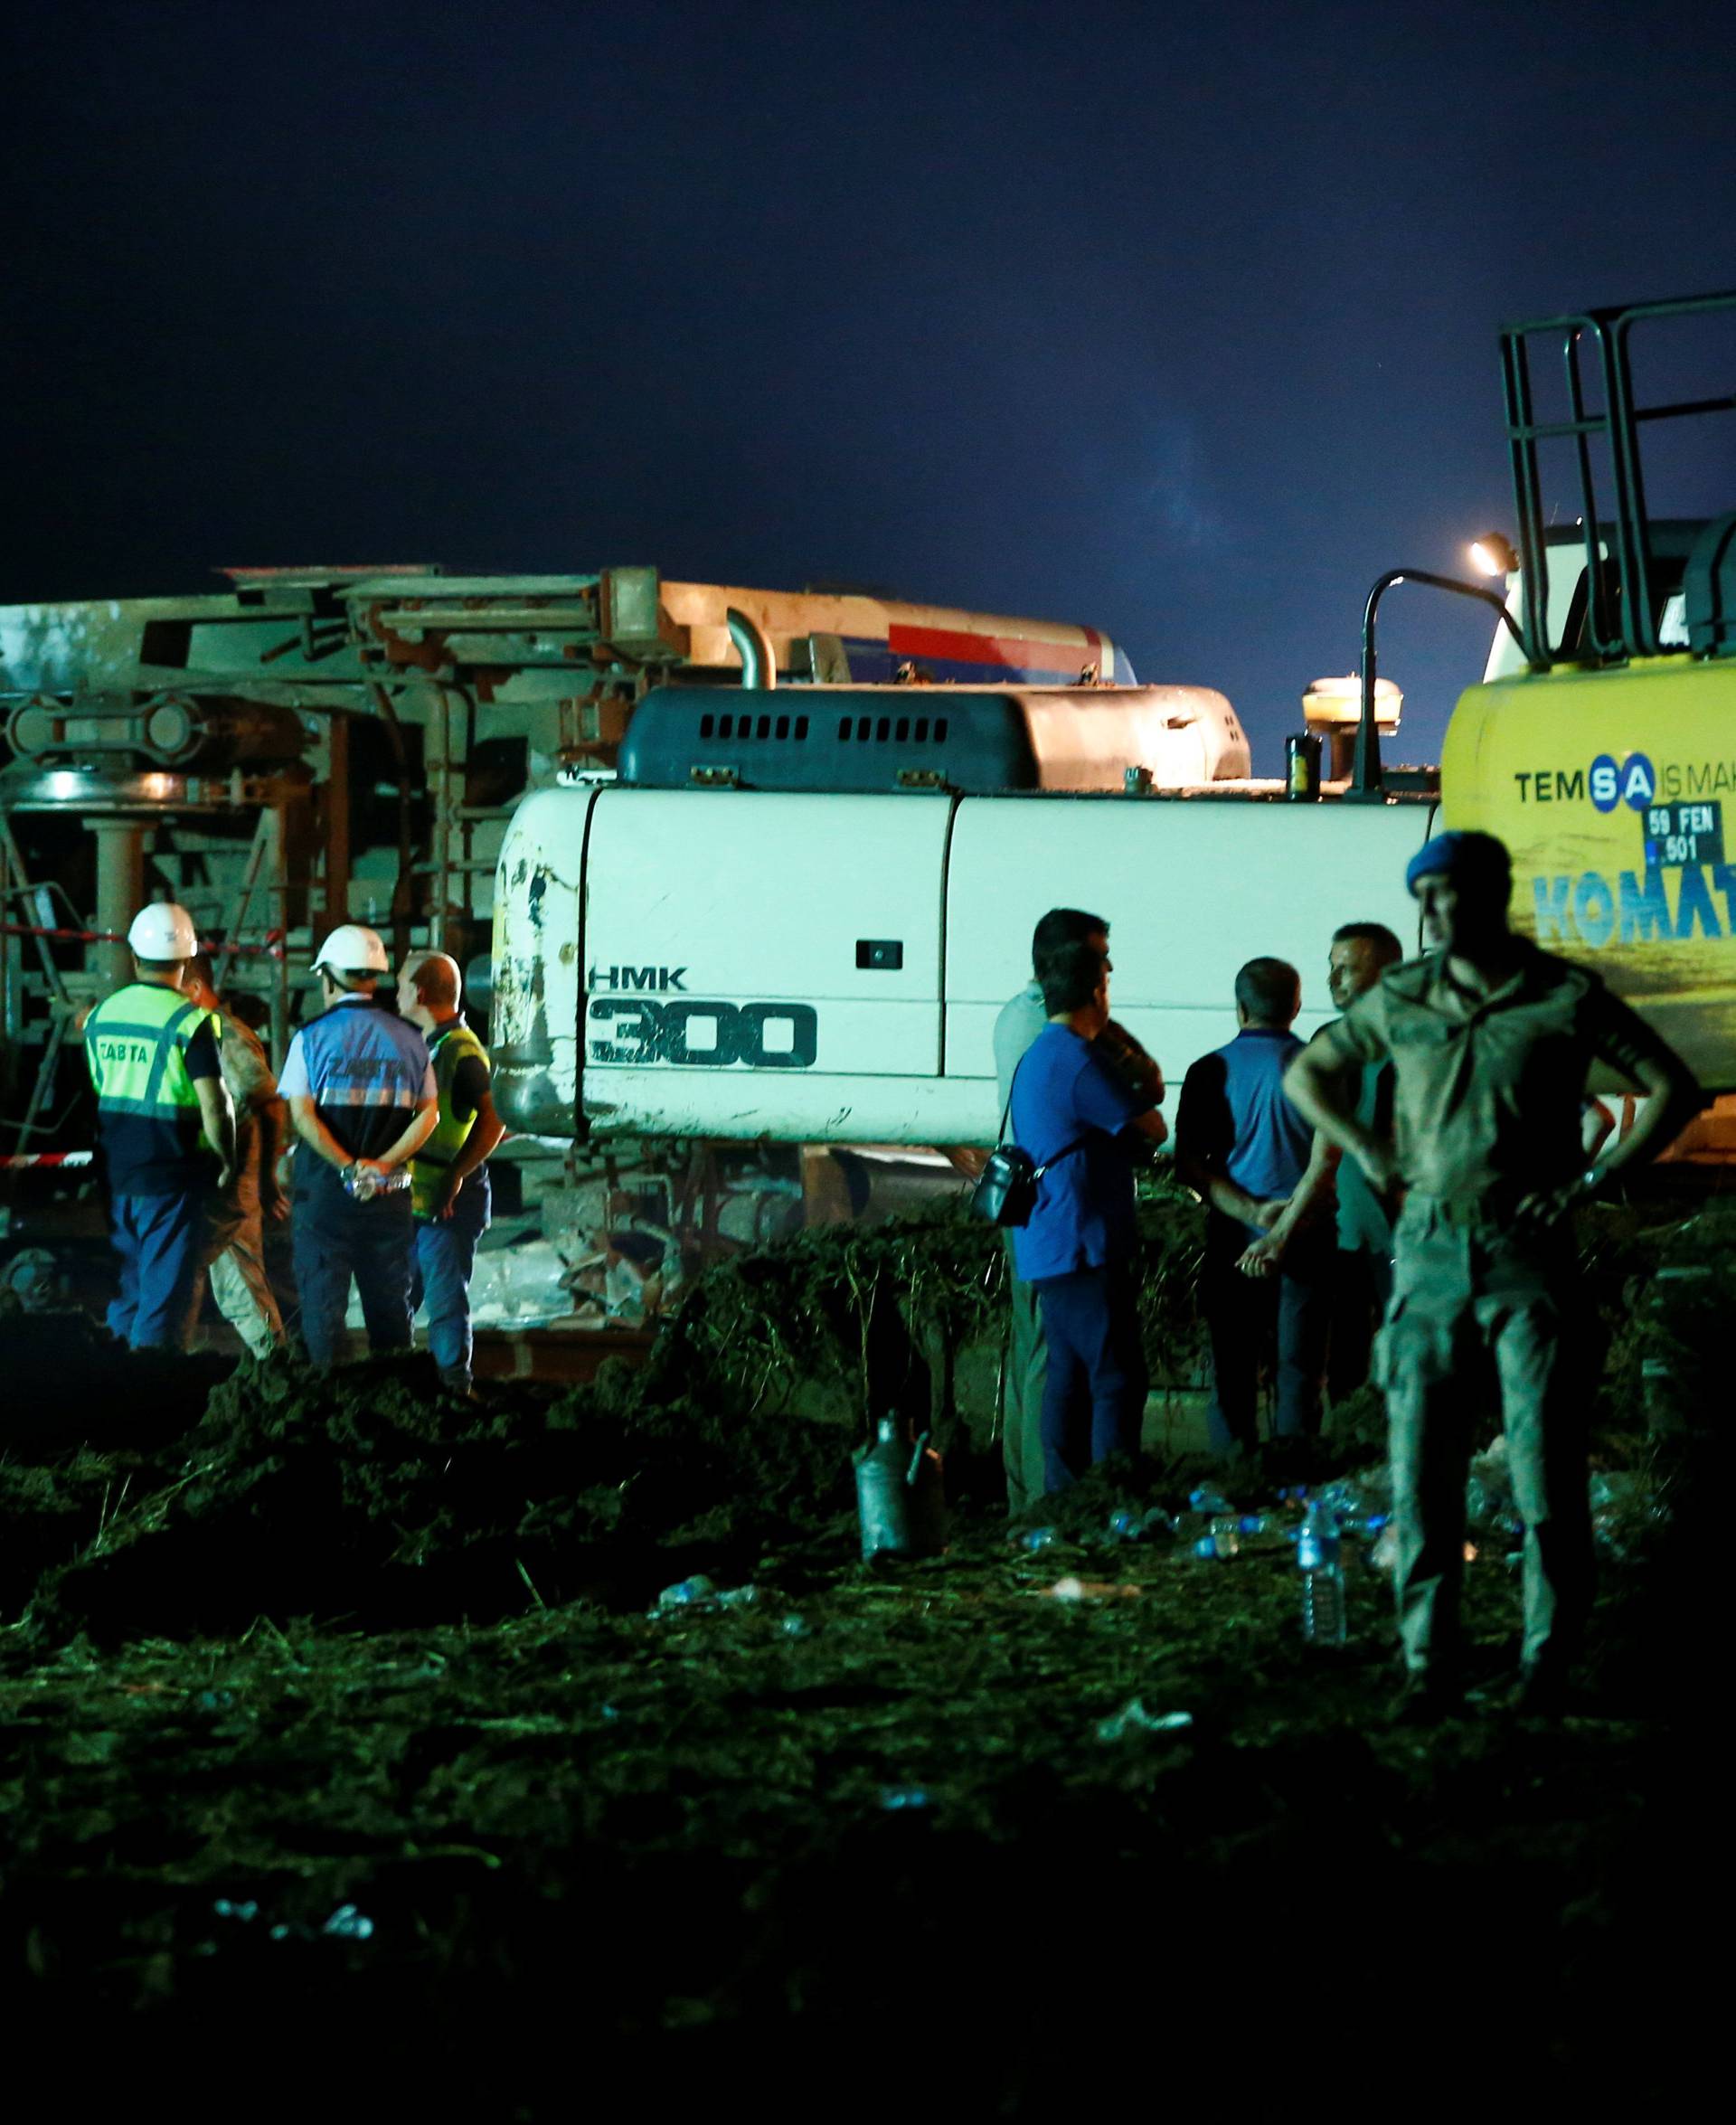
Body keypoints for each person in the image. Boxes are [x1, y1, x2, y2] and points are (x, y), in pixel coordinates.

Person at [1284, 831, 1700, 1720]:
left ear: (1492, 894)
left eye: (1446, 895)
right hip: (1429, 1250)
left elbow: (1671, 1085)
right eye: (1422, 898)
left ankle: (1546, 1666)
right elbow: (1310, 1073)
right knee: (1422, 1467)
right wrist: (1366, 1147)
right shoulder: (1404, 997)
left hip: (1525, 1255)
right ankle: (1428, 1668)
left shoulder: (1560, 994)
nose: (1430, 914)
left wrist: (1589, 1181)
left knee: (1546, 1473)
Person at [993, 909, 1164, 1513]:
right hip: (1081, 1238)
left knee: (1064, 1373)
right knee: (1117, 1375)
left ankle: (1058, 1501)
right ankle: (1109, 1495)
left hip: (1051, 1240)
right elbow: (1150, 1123)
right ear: (1096, 988)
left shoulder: (1040, 1048)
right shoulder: (1077, 1059)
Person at [1242, 922, 1403, 1401]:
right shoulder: (1332, 1040)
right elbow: (1323, 1156)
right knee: (1348, 1370)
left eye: (1348, 969)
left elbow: (1325, 1158)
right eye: (1331, 968)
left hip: (1404, 1236)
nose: (1334, 980)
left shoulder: (1418, 1042)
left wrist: (1279, 1235)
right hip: (1350, 1237)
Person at [1175, 957, 1327, 1458]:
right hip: (1306, 1230)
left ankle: (1233, 1473)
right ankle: (1295, 1476)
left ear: (1241, 1008)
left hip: (1234, 1235)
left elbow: (1193, 1166)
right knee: (1299, 1367)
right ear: (1297, 1006)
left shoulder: (1207, 1071)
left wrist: (1250, 1212)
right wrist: (1283, 1219)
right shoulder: (1318, 1069)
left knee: (1233, 1364)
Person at [278, 923, 438, 1366]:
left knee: (323, 1307)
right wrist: (382, 1165)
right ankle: (395, 1397)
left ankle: (327, 1399)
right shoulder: (411, 1039)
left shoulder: (310, 1037)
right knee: (390, 1307)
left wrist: (349, 1165)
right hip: (389, 1194)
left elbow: (302, 1115)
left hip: (326, 1194)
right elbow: (429, 1113)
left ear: (329, 978)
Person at [81, 902, 237, 1350]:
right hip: (170, 1176)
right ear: (186, 962)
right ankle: (151, 1393)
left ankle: (114, 1385)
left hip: (115, 1175)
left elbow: (99, 1088)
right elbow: (215, 1103)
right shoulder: (192, 1022)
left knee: (128, 1291)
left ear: (134, 957)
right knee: (163, 1300)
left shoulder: (101, 1015)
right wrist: (225, 1159)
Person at [396, 949, 507, 1395]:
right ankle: (421, 1383)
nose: (396, 992)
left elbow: (494, 1115)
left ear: (420, 992)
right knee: (408, 1297)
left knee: (443, 1301)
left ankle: (454, 1389)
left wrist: (457, 1173)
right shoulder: (437, 1044)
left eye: (402, 983)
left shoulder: (460, 1050)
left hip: (447, 1200)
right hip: (425, 1199)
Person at [182, 951, 288, 1358]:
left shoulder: (225, 1034)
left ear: (194, 988)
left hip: (230, 1179)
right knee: (225, 1280)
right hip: (217, 1175)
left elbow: (269, 1101)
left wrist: (266, 1180)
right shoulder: (204, 1031)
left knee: (238, 1283)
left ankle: (277, 1368)